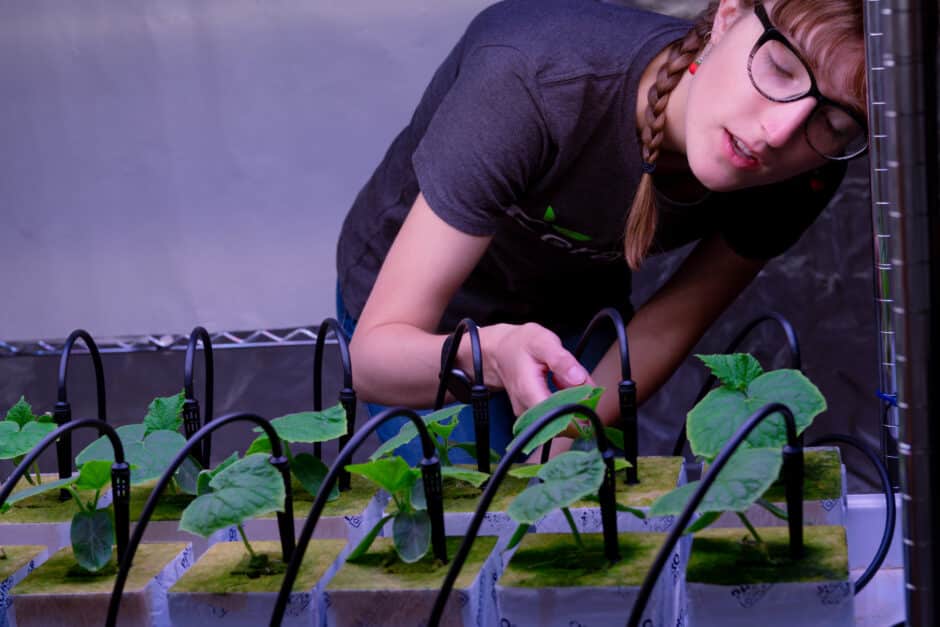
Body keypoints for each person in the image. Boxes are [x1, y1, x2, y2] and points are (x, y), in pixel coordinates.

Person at [335, 0, 867, 462]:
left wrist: (556, 448)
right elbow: (375, 360)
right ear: (728, 17)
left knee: (567, 528)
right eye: (778, 69)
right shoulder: (533, 79)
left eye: (835, 122)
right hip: (418, 325)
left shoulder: (812, 163)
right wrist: (490, 354)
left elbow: (667, 325)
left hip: (574, 320)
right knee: (444, 518)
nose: (779, 132)